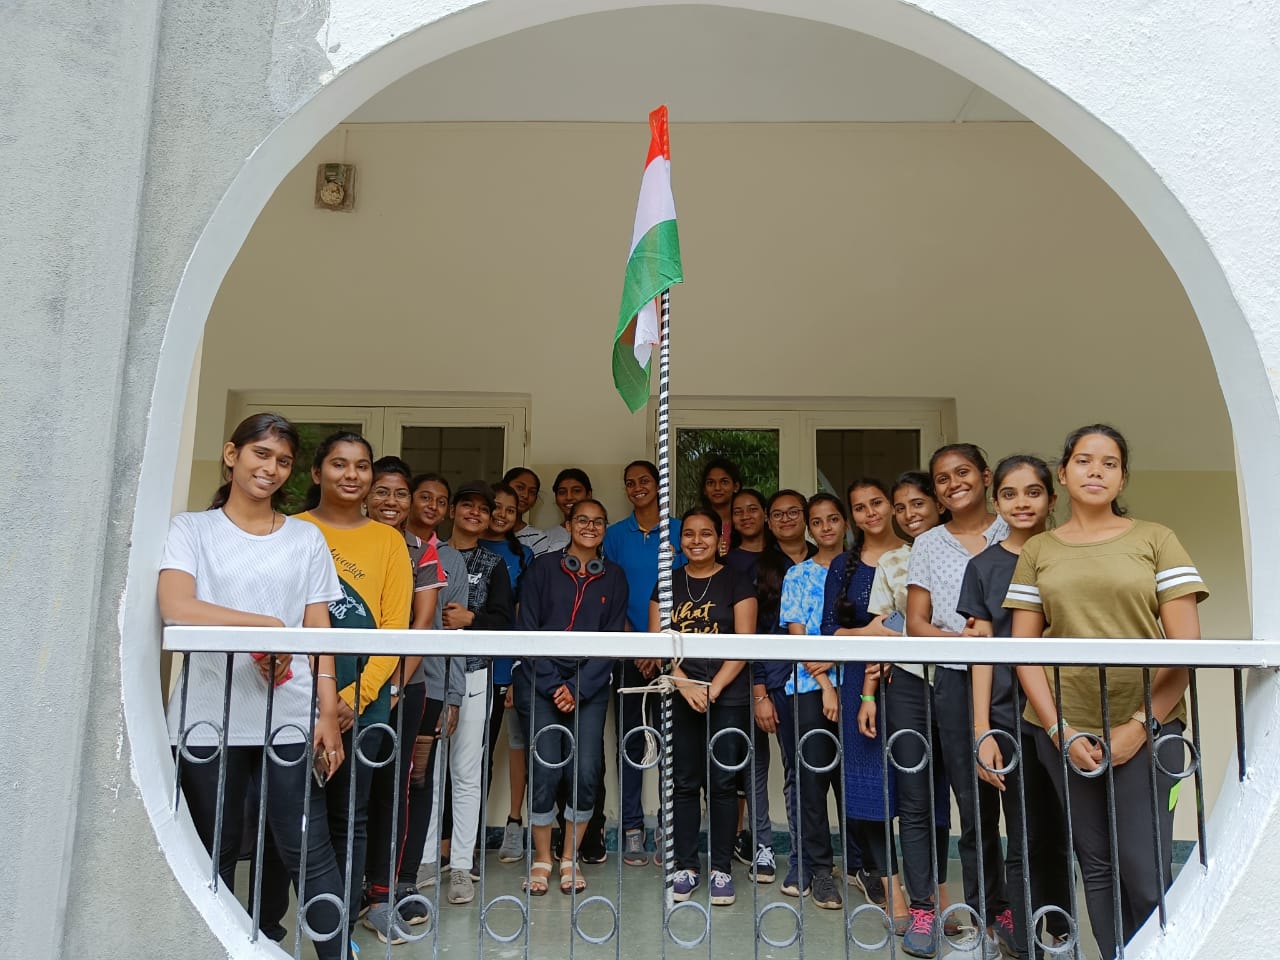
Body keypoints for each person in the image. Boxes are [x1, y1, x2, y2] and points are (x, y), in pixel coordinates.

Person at [1007, 426, 1207, 960]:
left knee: (1143, 866)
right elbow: (1022, 651)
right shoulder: (1039, 550)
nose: (1096, 471)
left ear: (1122, 477)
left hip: (1151, 724)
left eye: (1110, 462)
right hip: (1061, 727)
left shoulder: (1155, 539)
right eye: (1084, 460)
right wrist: (1058, 730)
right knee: (1095, 864)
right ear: (1065, 473)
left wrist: (1139, 726)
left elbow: (1187, 646)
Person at [158, 414, 353, 960]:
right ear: (231, 454)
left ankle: (336, 954)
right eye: (261, 454)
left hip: (286, 716)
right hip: (206, 717)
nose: (271, 468)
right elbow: (176, 606)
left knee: (308, 852)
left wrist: (326, 712)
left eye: (283, 460)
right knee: (210, 851)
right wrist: (264, 628)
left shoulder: (305, 538)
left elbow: (319, 632)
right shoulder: (191, 529)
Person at [295, 433, 413, 938]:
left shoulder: (388, 541)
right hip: (293, 695)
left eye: (361, 466)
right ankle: (280, 923)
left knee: (352, 817)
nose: (352, 474)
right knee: (293, 814)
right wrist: (320, 697)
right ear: (317, 471)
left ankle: (337, 929)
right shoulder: (291, 530)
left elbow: (395, 630)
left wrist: (351, 698)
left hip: (363, 708)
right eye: (339, 464)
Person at [896, 444, 1010, 958]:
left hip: (1005, 681)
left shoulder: (1015, 531)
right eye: (942, 479)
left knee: (979, 800)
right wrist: (956, 642)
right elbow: (916, 623)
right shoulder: (928, 543)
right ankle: (923, 907)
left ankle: (994, 908)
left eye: (962, 473)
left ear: (985, 477)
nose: (952, 484)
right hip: (945, 678)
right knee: (920, 801)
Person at [957, 455, 1072, 960]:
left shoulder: (1070, 553)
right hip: (1008, 718)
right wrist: (982, 728)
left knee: (1063, 834)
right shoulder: (983, 566)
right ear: (996, 499)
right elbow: (980, 653)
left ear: (1051, 497)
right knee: (1023, 838)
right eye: (1010, 493)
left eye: (1033, 492)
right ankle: (1025, 945)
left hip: (1071, 716)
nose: (1022, 503)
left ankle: (1060, 936)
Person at [514, 499, 629, 896]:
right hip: (540, 681)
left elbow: (613, 639)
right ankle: (542, 858)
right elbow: (526, 630)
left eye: (599, 522)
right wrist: (552, 685)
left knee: (585, 770)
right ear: (567, 524)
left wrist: (578, 689)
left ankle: (569, 858)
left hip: (590, 686)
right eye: (583, 520)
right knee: (545, 768)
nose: (591, 527)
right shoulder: (542, 569)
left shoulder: (614, 577)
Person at [653, 506, 757, 907]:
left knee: (723, 784)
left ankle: (721, 870)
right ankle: (685, 865)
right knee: (683, 782)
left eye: (706, 534)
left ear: (720, 540)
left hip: (726, 694)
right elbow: (656, 640)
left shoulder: (737, 580)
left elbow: (743, 643)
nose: (697, 541)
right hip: (680, 694)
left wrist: (712, 688)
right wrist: (683, 683)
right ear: (680, 542)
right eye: (690, 534)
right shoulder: (667, 582)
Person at [825, 479, 911, 928]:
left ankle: (927, 891)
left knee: (918, 786)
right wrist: (871, 634)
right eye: (859, 508)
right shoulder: (844, 565)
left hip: (914, 679)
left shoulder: (918, 552)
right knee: (872, 787)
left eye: (876, 503)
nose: (869, 513)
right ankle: (889, 887)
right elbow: (828, 633)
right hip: (860, 679)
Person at [361, 457, 439, 941]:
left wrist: (390, 687)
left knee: (394, 789)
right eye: (382, 492)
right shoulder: (333, 536)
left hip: (402, 688)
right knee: (346, 793)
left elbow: (421, 626)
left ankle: (385, 892)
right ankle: (342, 892)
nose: (391, 502)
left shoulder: (421, 549)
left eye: (400, 494)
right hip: (336, 685)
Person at [603, 459, 683, 867]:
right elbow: (611, 593)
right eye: (629, 482)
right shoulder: (615, 535)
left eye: (645, 481)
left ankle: (670, 826)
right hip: (629, 649)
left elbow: (690, 588)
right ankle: (632, 826)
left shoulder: (682, 529)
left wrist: (660, 646)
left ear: (659, 485)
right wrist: (639, 645)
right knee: (631, 738)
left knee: (675, 740)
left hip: (676, 652)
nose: (637, 488)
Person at [438, 480, 515, 906]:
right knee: (426, 772)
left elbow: (505, 620)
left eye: (482, 510)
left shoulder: (494, 563)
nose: (474, 513)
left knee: (467, 771)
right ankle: (426, 860)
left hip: (474, 674)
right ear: (453, 511)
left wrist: (471, 618)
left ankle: (462, 866)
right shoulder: (428, 554)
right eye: (466, 505)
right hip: (427, 675)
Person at [777, 492, 848, 909]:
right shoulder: (798, 575)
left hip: (860, 686)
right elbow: (798, 637)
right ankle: (822, 870)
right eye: (817, 521)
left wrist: (844, 686)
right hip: (807, 688)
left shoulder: (860, 569)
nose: (825, 527)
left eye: (833, 519)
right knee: (812, 780)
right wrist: (826, 686)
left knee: (855, 780)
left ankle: (863, 866)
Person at [744, 489, 817, 886]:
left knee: (839, 771)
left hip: (833, 680)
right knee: (797, 771)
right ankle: (800, 860)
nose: (787, 519)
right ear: (769, 523)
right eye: (778, 514)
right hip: (780, 683)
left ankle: (854, 862)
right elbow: (752, 634)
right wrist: (760, 692)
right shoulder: (759, 569)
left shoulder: (833, 561)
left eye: (794, 512)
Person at [398, 473, 465, 895]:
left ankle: (410, 871)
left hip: (432, 684)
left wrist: (454, 695)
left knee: (417, 779)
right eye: (425, 497)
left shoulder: (450, 559)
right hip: (370, 683)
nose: (433, 506)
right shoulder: (388, 545)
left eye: (442, 501)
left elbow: (450, 631)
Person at [479, 482, 535, 865]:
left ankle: (514, 822)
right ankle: (456, 834)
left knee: (516, 746)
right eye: (494, 507)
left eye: (509, 510)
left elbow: (524, 615)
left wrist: (517, 667)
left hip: (507, 666)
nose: (501, 515)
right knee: (473, 755)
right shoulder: (459, 548)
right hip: (461, 666)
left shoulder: (524, 555)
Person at [503, 467, 561, 557]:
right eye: (520, 487)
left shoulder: (536, 537)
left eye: (532, 492)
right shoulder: (484, 528)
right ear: (504, 488)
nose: (525, 495)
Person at [699, 457, 741, 558]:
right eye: (711, 483)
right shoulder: (697, 523)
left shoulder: (744, 522)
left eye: (724, 482)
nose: (717, 488)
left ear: (736, 487)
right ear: (704, 490)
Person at [549, 468, 592, 550]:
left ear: (588, 495)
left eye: (576, 491)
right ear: (556, 498)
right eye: (562, 492)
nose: (569, 497)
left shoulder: (604, 534)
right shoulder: (546, 538)